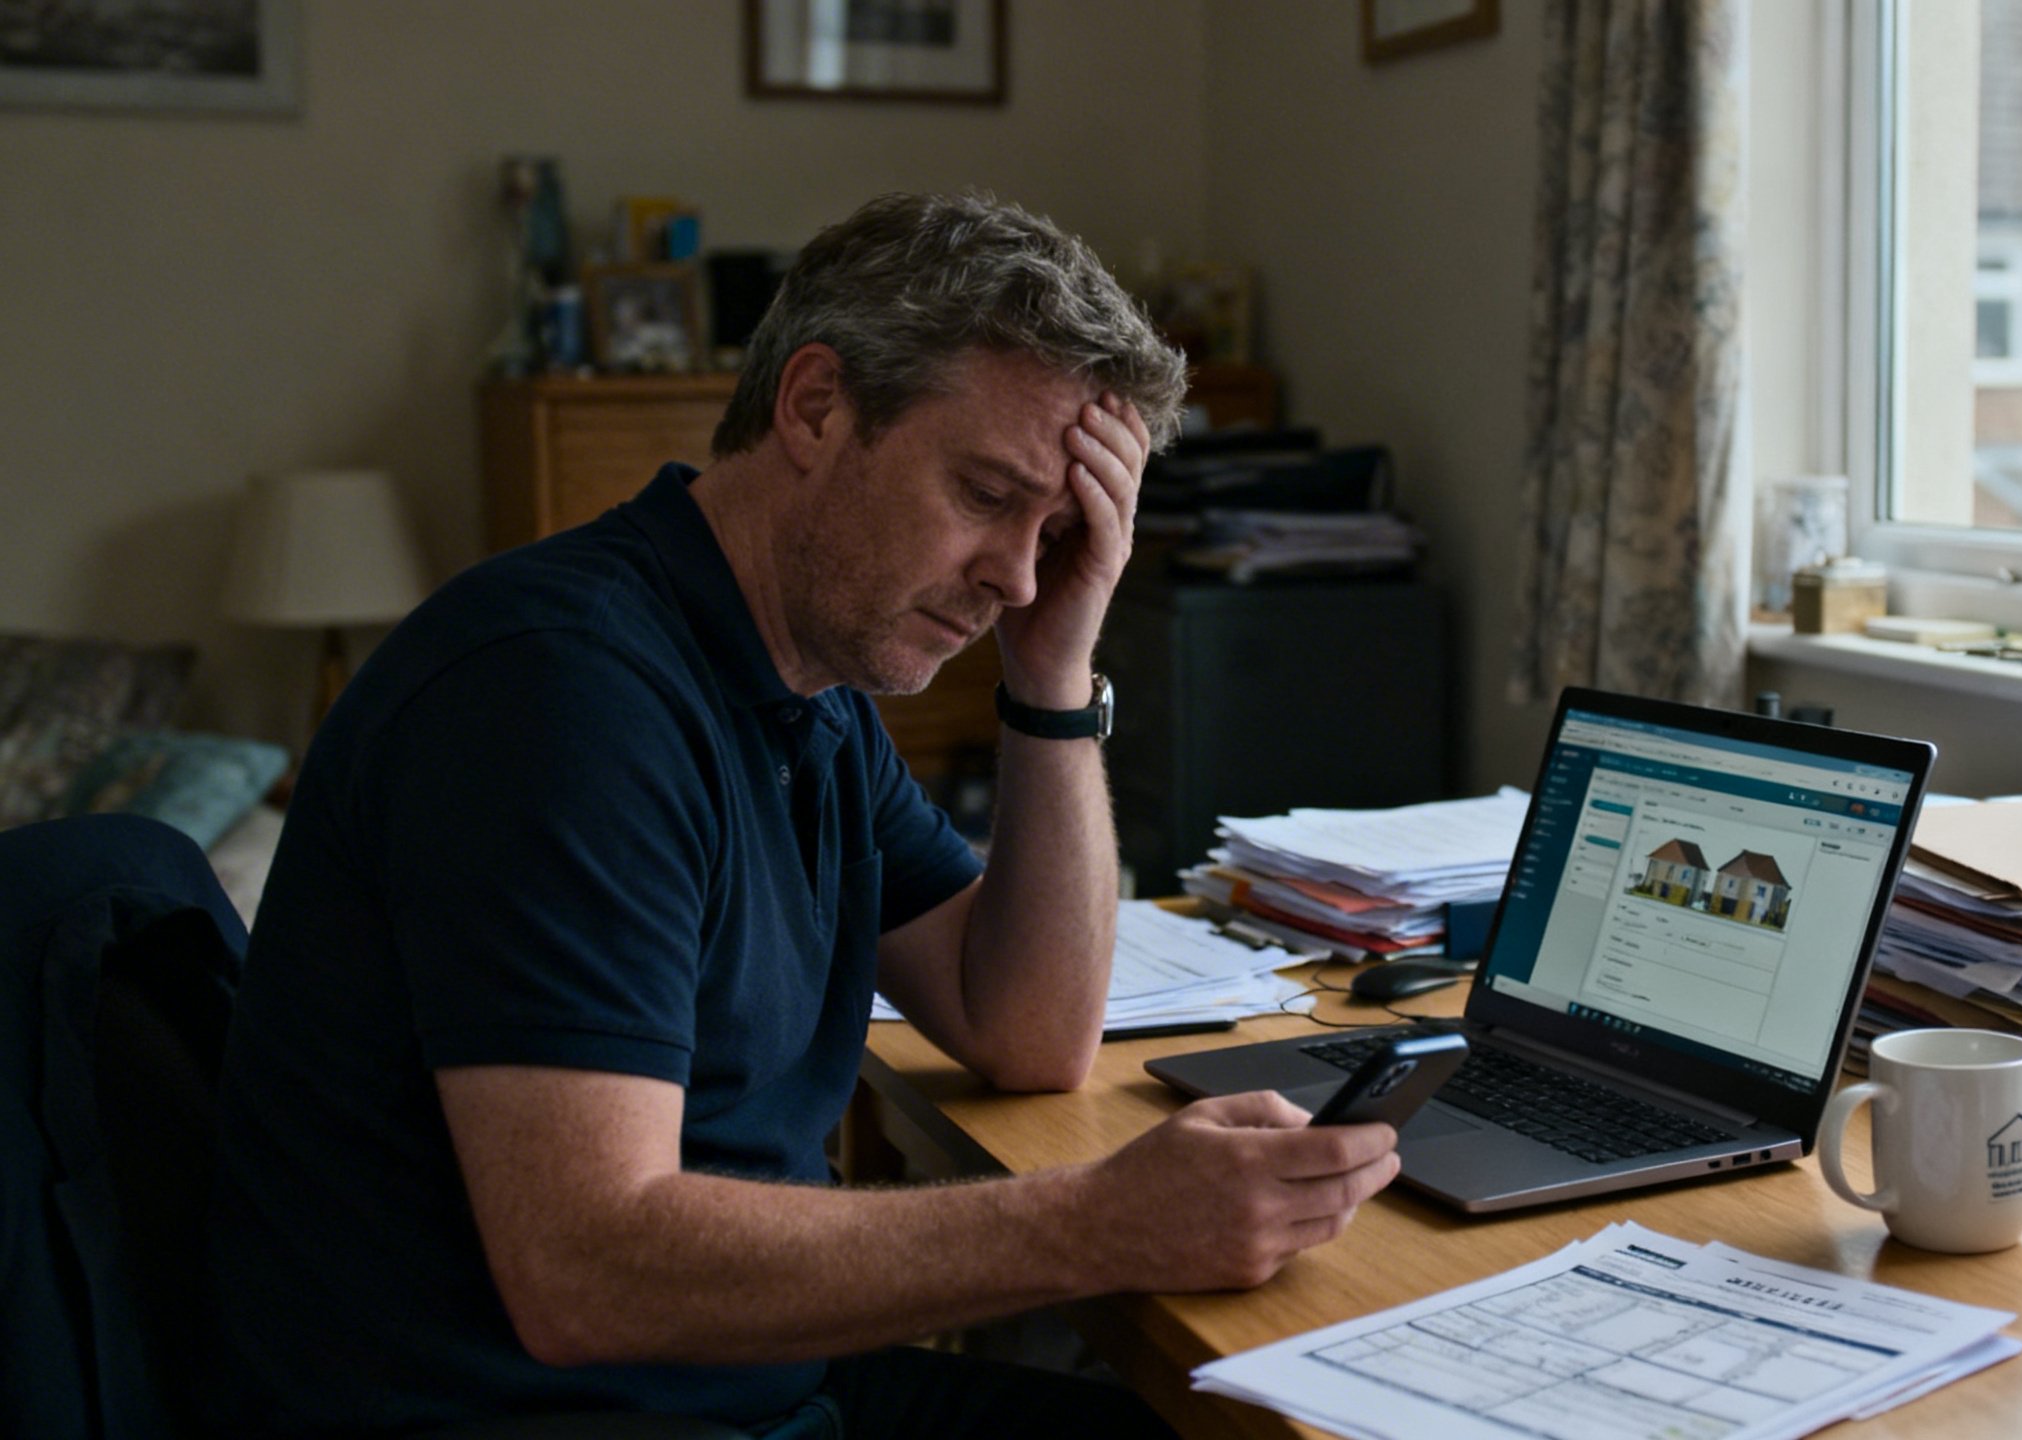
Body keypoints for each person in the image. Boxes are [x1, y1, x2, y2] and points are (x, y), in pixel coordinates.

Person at [205, 192, 1402, 1438]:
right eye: (986, 494)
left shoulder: (805, 689)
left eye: (1054, 532)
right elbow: (586, 1272)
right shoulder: (560, 696)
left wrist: (1052, 676)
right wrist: (1096, 1223)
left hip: (739, 1384)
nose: (1018, 574)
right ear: (817, 406)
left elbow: (1027, 1031)